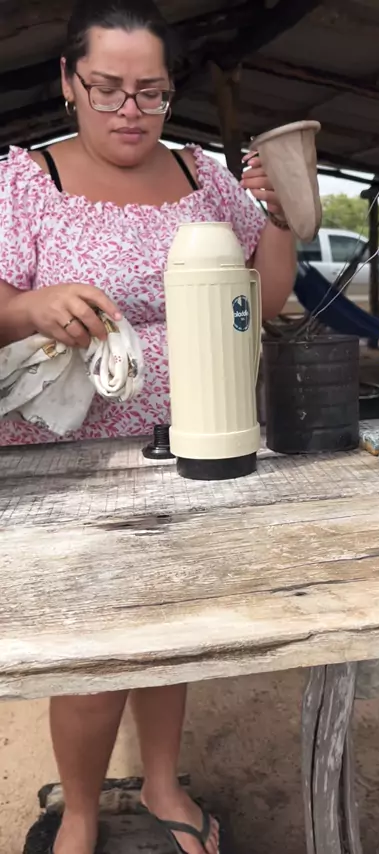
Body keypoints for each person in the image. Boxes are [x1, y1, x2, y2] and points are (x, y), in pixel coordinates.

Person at [0, 1, 297, 853]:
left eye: (151, 92)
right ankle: (80, 812)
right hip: (69, 463)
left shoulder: (205, 178)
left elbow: (261, 301)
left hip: (191, 442)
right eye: (108, 88)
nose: (129, 111)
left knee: (177, 631)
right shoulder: (25, 182)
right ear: (68, 81)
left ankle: (164, 782)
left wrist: (280, 218)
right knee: (95, 658)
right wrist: (30, 306)